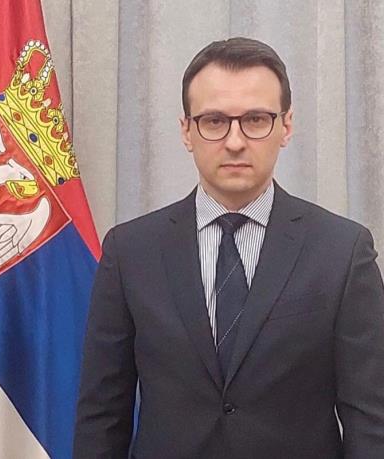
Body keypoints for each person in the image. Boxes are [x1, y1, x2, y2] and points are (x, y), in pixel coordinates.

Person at [73, 37, 384, 458]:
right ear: (186, 130)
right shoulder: (130, 252)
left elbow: (370, 419)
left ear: (286, 126)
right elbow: (102, 415)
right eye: (214, 121)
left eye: (255, 119)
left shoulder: (342, 252)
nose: (235, 141)